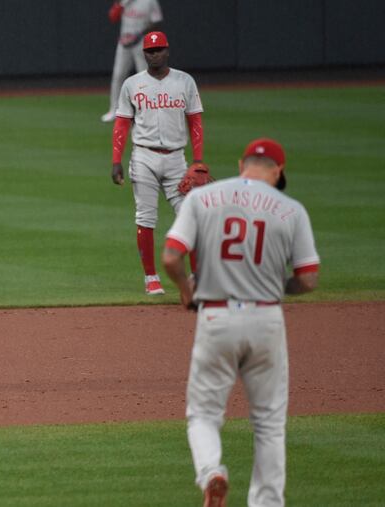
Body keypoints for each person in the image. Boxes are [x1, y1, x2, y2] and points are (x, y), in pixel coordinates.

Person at [162, 138, 320, 506]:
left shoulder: (203, 198)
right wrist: (275, 285)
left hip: (216, 315)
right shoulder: (291, 209)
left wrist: (187, 291)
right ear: (279, 171)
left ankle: (211, 472)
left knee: (203, 413)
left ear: (240, 164)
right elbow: (309, 279)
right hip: (266, 318)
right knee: (268, 422)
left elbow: (171, 257)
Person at [110, 31, 204, 295]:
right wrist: (116, 161)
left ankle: (196, 277)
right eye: (150, 51)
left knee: (191, 216)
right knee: (146, 217)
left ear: (167, 50)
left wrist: (197, 160)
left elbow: (195, 121)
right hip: (143, 157)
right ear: (144, 54)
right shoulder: (132, 84)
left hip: (177, 159)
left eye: (159, 49)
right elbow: (121, 124)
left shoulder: (184, 81)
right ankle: (151, 277)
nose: (155, 54)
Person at [102, 0, 163, 123]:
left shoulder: (150, 1)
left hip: (142, 42)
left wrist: (140, 34)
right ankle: (114, 110)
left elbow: (157, 21)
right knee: (118, 75)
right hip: (124, 42)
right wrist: (120, 4)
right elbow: (113, 17)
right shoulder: (124, 1)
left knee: (144, 77)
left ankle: (147, 111)